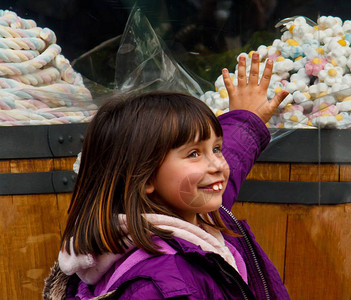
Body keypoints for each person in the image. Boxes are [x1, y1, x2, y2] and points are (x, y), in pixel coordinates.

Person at [43, 52, 290, 299]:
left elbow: (228, 161)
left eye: (216, 148)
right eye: (194, 153)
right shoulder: (162, 285)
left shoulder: (192, 216)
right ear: (146, 178)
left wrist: (246, 120)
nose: (217, 164)